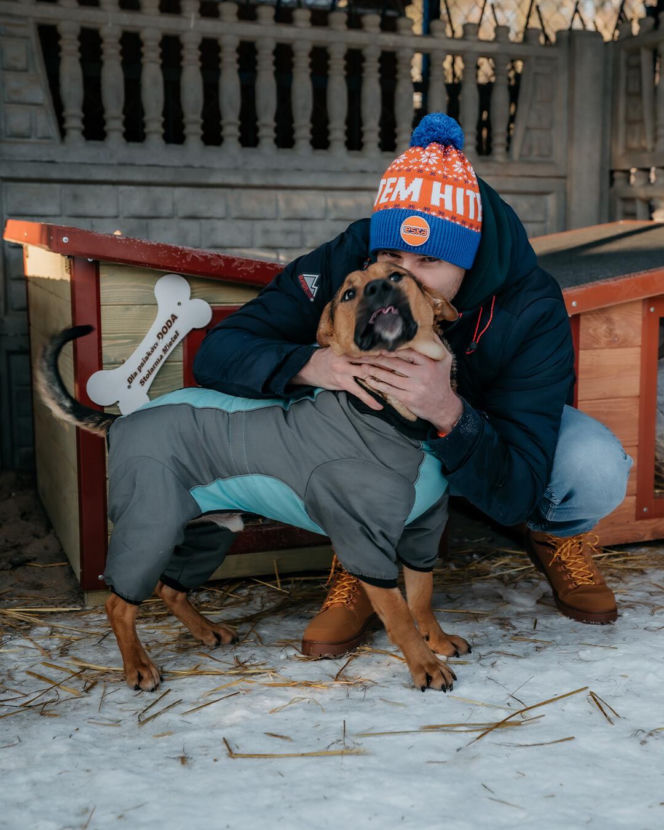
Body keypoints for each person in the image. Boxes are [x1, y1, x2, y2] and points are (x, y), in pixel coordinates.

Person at [193, 113, 632, 656]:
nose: (401, 280)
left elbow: (519, 486)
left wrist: (449, 411)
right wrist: (316, 365)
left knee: (593, 464)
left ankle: (555, 535)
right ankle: (361, 557)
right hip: (377, 441)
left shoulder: (531, 302)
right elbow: (221, 352)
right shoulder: (349, 257)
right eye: (392, 258)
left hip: (484, 433)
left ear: (468, 259)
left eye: (428, 260)